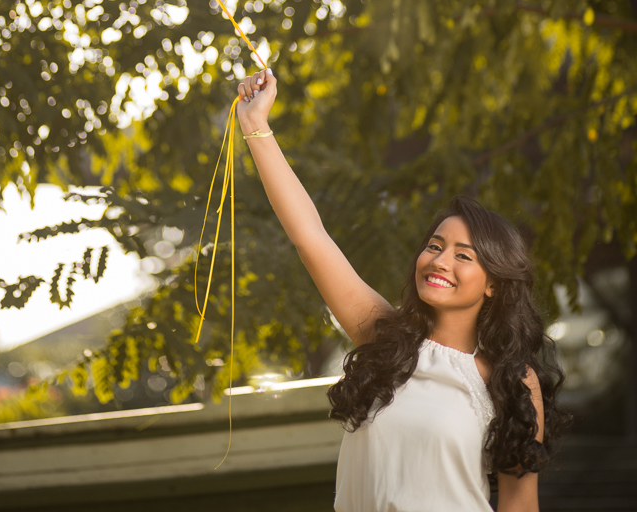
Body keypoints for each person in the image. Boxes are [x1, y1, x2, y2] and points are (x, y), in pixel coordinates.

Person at [236, 67, 566, 512]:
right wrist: (255, 124)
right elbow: (310, 237)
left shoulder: (512, 380)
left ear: (493, 283)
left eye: (464, 256)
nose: (440, 261)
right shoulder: (384, 338)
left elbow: (520, 506)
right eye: (435, 246)